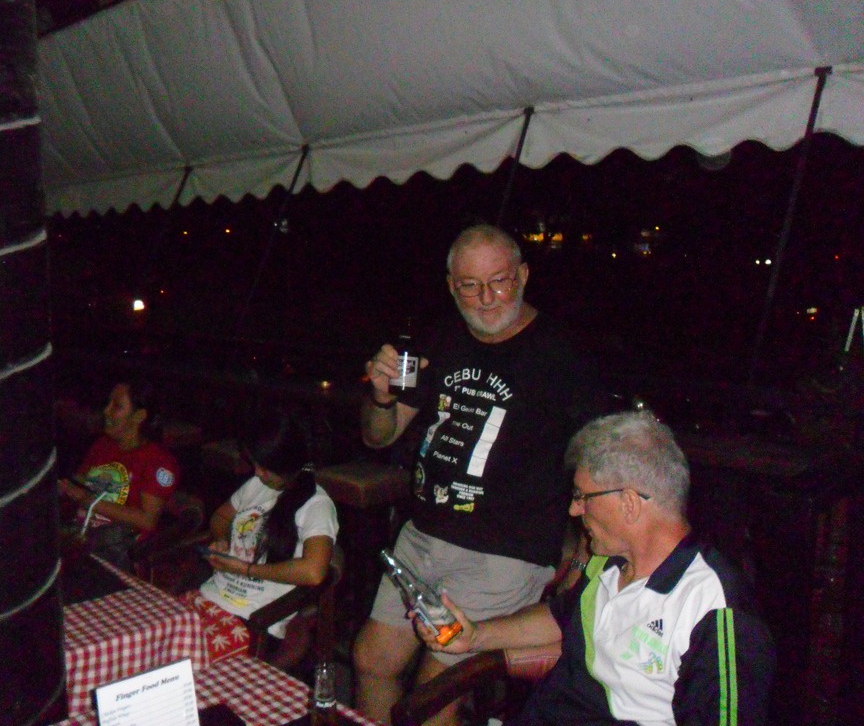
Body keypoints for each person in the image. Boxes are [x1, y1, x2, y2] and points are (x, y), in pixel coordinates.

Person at [354, 223, 608, 725]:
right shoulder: (440, 337)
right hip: (423, 534)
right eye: (471, 285)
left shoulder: (563, 356)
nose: (487, 298)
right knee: (371, 661)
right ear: (452, 286)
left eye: (500, 281)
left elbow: (598, 461)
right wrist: (380, 398)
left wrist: (583, 558)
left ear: (523, 276)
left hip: (505, 551)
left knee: (436, 692)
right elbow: (379, 436)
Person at [419, 410, 775, 726]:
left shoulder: (715, 610)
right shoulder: (607, 562)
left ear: (630, 504)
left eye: (581, 496)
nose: (574, 510)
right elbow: (561, 617)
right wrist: (474, 636)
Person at [194, 406, 339, 670]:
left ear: (285, 462)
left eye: (264, 466)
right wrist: (222, 540)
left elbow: (314, 571)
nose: (257, 472)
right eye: (256, 464)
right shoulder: (257, 486)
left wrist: (248, 570)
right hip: (210, 597)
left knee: (183, 662)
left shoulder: (316, 504)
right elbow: (220, 517)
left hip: (250, 617)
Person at [58, 378, 180, 572]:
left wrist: (87, 500)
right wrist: (64, 487)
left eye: (116, 406)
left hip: (119, 546)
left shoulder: (158, 462)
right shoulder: (103, 445)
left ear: (139, 416)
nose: (106, 411)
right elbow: (80, 482)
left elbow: (147, 520)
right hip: (83, 532)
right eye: (108, 404)